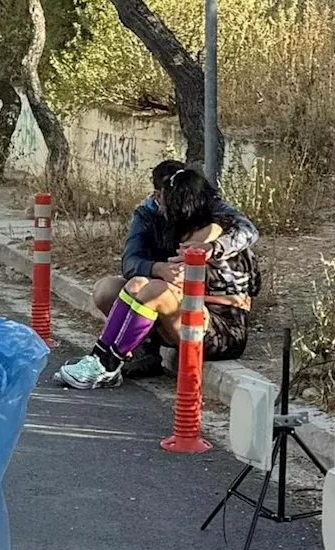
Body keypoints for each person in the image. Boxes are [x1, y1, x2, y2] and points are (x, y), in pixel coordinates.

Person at [56, 165, 260, 389]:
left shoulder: (212, 231)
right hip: (193, 314)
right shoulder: (154, 215)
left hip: (223, 328)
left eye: (164, 200)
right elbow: (131, 263)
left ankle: (109, 364)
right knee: (136, 284)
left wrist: (205, 257)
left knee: (155, 290)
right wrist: (157, 268)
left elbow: (184, 277)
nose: (158, 205)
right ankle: (100, 358)